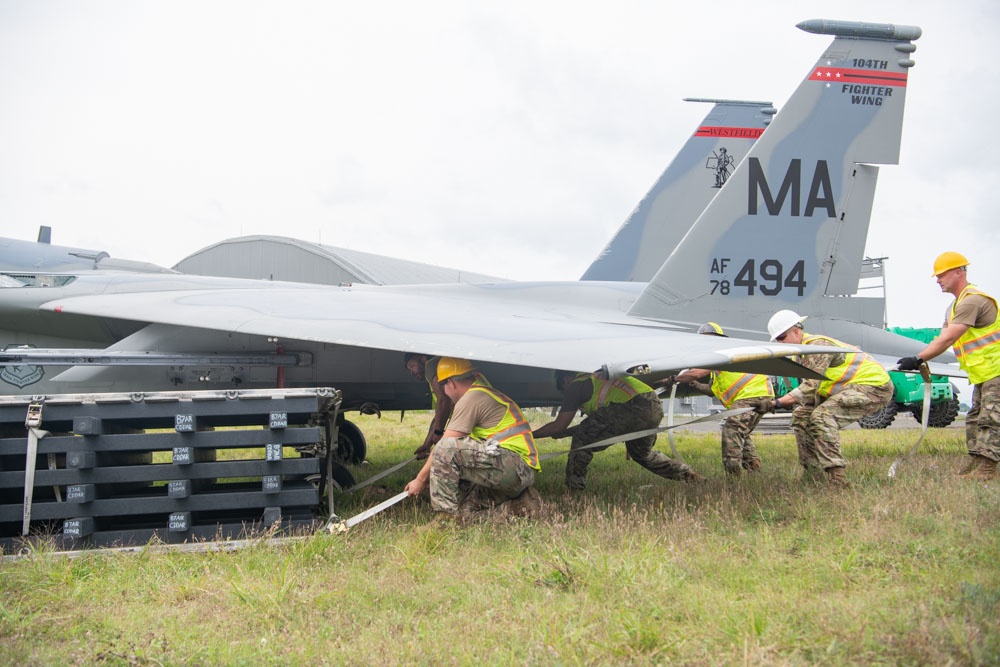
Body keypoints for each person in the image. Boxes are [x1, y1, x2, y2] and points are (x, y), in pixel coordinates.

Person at [897, 252, 999, 480]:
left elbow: (947, 339)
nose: (937, 280)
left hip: (996, 371)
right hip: (984, 373)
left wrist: (918, 358)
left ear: (958, 272)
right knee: (974, 417)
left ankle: (988, 469)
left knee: (991, 418)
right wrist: (922, 358)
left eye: (941, 275)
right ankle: (976, 462)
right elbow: (941, 339)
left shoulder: (973, 300)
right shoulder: (954, 307)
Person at [765, 309, 893, 487]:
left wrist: (776, 403)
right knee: (801, 415)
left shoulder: (816, 346)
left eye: (782, 337)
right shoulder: (800, 353)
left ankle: (837, 480)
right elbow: (811, 394)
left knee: (822, 416)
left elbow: (810, 387)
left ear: (796, 331)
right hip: (848, 388)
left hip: (873, 387)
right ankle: (812, 474)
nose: (780, 343)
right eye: (777, 339)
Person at [404, 357, 542, 519]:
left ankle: (442, 520)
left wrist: (420, 480)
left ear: (451, 383)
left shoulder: (471, 398)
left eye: (442, 387)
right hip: (515, 471)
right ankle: (519, 508)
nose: (443, 394)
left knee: (445, 448)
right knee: (465, 514)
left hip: (515, 467)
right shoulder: (479, 393)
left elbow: (444, 446)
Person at [533, 370, 704, 491]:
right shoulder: (597, 377)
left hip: (632, 407)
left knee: (582, 440)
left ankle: (573, 488)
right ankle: (691, 476)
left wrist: (528, 435)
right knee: (643, 455)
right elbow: (600, 426)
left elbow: (559, 425)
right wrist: (563, 433)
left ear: (565, 380)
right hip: (653, 406)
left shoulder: (575, 386)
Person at [669, 322, 774, 475]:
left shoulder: (720, 354)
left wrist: (674, 379)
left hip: (751, 395)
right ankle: (754, 470)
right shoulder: (719, 365)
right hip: (759, 394)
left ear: (718, 339)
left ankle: (733, 477)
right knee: (741, 433)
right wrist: (695, 385)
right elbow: (712, 391)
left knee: (731, 430)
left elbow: (697, 372)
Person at [403, 353, 454, 459]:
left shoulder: (431, 366)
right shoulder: (434, 375)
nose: (412, 372)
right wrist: (427, 444)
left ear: (422, 359)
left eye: (412, 366)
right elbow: (439, 416)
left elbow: (444, 401)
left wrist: (439, 432)